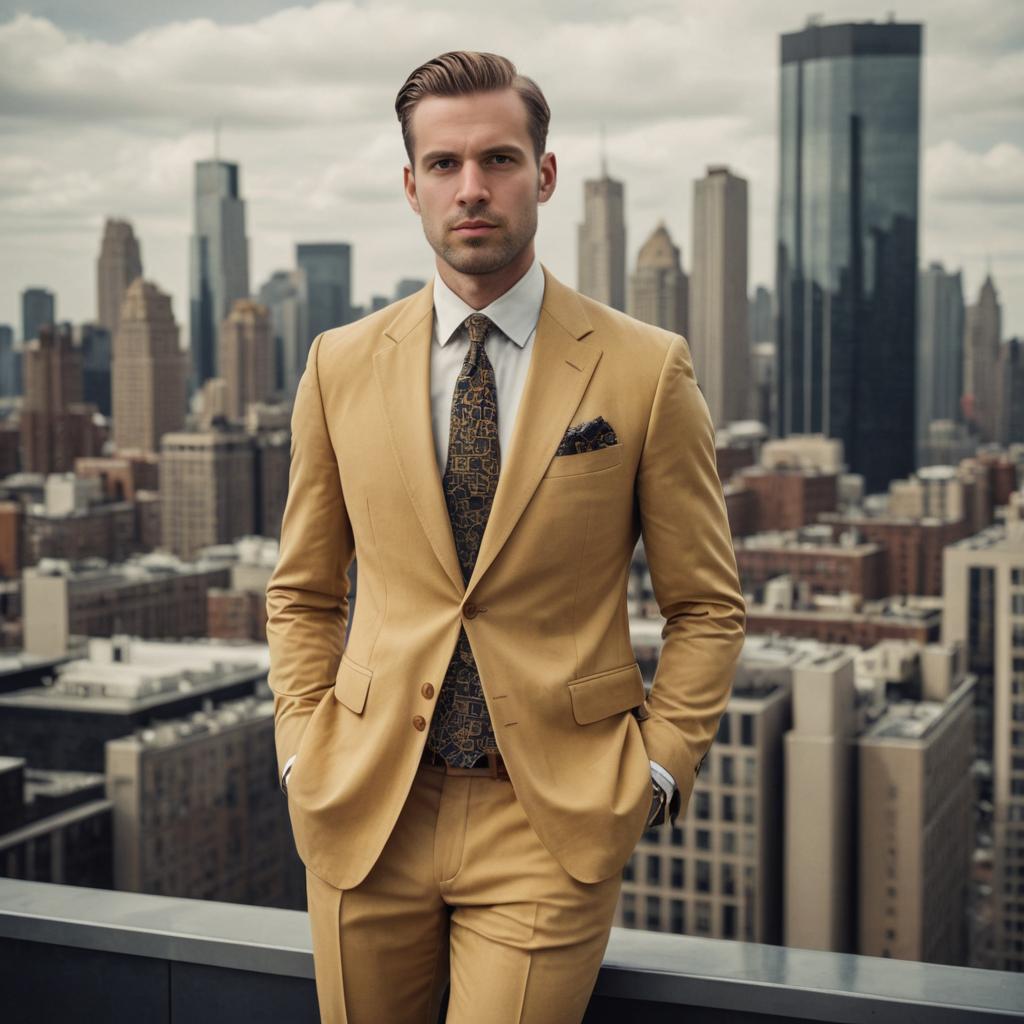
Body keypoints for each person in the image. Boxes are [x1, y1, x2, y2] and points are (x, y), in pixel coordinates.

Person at [265, 49, 745, 1024]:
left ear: (545, 173)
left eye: (498, 159)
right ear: (410, 186)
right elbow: (304, 589)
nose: (471, 188)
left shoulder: (645, 368)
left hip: (550, 814)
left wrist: (652, 773)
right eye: (443, 165)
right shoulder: (338, 364)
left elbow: (705, 604)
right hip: (366, 803)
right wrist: (298, 746)